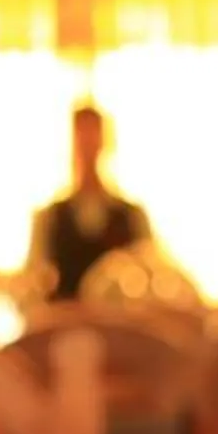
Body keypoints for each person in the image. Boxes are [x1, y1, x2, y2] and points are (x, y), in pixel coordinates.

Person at [27, 102, 150, 301]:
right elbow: (34, 283)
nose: (87, 144)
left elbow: (150, 278)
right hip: (64, 326)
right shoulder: (49, 218)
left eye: (93, 134)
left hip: (120, 327)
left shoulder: (132, 216)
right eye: (81, 136)